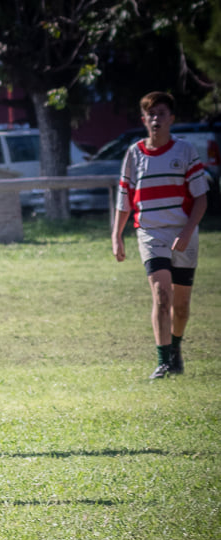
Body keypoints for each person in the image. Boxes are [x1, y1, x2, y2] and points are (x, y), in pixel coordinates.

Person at [112, 91, 209, 380]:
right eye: (151, 114)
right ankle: (163, 361)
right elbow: (124, 197)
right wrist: (117, 236)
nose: (156, 119)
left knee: (181, 306)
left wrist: (187, 231)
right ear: (144, 120)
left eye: (162, 113)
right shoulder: (134, 153)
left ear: (172, 119)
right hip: (150, 232)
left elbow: (201, 199)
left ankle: (175, 351)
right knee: (161, 294)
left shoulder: (185, 151)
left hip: (183, 232)